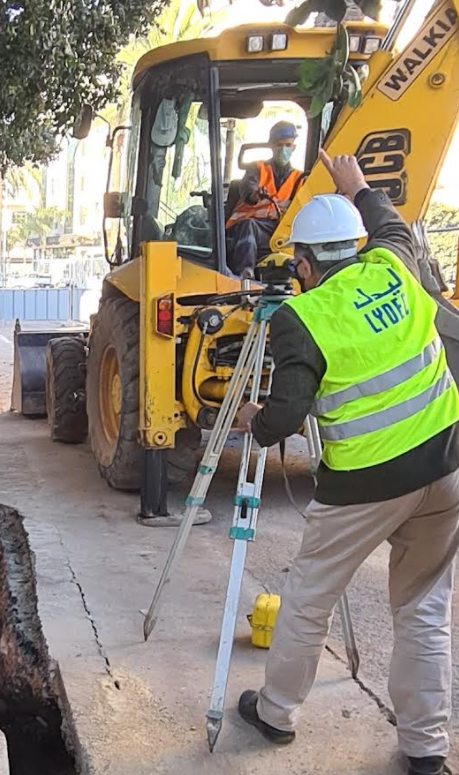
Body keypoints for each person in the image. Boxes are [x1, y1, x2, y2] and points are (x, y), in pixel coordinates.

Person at [235, 150, 459, 775]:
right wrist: (358, 185)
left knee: (308, 597)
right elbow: (390, 223)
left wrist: (254, 420)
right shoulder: (394, 262)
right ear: (354, 248)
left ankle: (276, 711)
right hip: (444, 464)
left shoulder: (300, 318)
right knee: (423, 607)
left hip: (364, 481)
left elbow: (284, 417)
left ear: (304, 264)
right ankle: (425, 747)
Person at [225, 120, 304, 276]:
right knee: (249, 225)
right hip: (249, 226)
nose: (283, 149)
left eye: (288, 145)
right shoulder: (257, 168)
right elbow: (248, 191)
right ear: (272, 146)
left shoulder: (299, 178)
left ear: (294, 147)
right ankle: (245, 273)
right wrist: (257, 193)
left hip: (278, 230)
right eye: (279, 145)